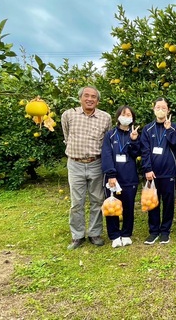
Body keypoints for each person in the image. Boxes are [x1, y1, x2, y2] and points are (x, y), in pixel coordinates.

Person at [61, 86, 112, 250]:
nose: (90, 99)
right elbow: (66, 135)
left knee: (97, 200)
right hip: (75, 163)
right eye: (86, 96)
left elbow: (107, 141)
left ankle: (95, 233)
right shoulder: (68, 115)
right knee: (77, 202)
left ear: (98, 100)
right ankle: (77, 235)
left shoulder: (105, 118)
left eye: (94, 97)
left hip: (96, 163)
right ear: (80, 98)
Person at [141, 98, 176, 245]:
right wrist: (147, 169)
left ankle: (165, 231)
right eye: (158, 107)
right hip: (153, 173)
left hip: (169, 172)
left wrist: (168, 130)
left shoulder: (175, 128)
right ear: (153, 109)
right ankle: (153, 232)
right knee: (152, 202)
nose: (161, 110)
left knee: (168, 202)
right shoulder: (147, 129)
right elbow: (144, 151)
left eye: (164, 108)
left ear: (168, 110)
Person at [101, 106, 140, 248]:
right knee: (112, 206)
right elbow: (106, 155)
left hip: (130, 177)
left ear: (132, 119)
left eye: (129, 114)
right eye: (123, 114)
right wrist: (111, 174)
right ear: (118, 116)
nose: (126, 116)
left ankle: (126, 234)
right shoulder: (110, 135)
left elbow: (137, 154)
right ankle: (115, 235)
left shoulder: (134, 134)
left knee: (129, 207)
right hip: (113, 178)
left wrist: (134, 141)